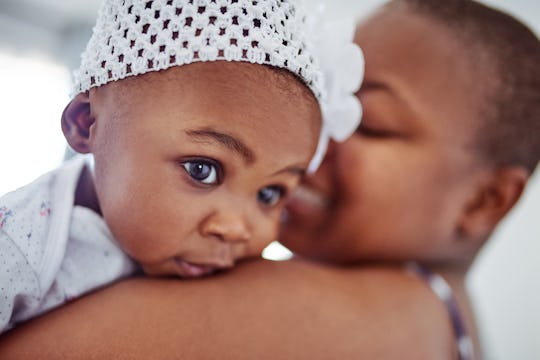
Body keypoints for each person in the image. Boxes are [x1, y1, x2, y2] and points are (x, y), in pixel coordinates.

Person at [1, 0, 539, 358]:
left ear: (485, 199)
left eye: (367, 123)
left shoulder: (394, 315)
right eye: (326, 110)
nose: (313, 143)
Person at [0, 0, 362, 333]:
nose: (236, 229)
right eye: (202, 170)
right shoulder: (19, 247)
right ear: (85, 123)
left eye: (269, 193)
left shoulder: (226, 272)